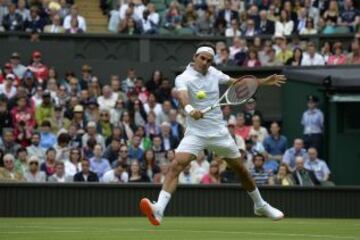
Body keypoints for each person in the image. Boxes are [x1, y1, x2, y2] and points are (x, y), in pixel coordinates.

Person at [140, 43, 286, 226]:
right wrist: (190, 109)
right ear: (195, 57)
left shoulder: (215, 73)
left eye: (209, 60)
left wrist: (264, 81)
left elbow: (237, 83)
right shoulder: (183, 78)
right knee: (176, 165)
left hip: (219, 132)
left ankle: (260, 205)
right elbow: (183, 96)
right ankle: (159, 209)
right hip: (196, 132)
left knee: (241, 169)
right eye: (202, 58)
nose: (205, 62)